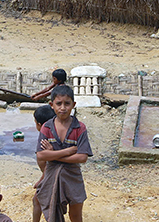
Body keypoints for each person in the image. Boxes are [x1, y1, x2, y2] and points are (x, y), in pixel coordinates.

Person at [36, 85, 92, 222]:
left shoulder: (79, 127)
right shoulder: (47, 127)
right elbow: (41, 155)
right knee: (52, 213)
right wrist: (66, 151)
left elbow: (82, 157)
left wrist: (53, 154)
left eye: (67, 103)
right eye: (58, 103)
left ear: (73, 105)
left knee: (76, 215)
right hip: (51, 174)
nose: (63, 108)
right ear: (51, 105)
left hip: (73, 175)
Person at [32, 105, 56, 222]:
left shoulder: (46, 143)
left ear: (40, 125)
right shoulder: (52, 135)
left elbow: (51, 165)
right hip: (48, 176)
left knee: (39, 201)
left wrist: (43, 179)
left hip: (52, 177)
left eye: (35, 122)